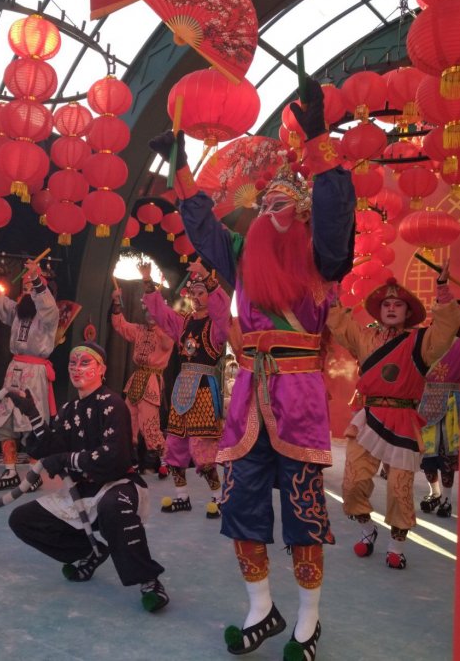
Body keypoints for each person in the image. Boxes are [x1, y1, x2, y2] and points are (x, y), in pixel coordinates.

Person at [149, 78, 355, 659]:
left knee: (304, 509)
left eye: (280, 204)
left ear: (303, 212)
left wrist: (317, 138)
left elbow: (337, 209)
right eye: (263, 205)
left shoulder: (321, 257)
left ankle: (309, 618)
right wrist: (179, 165)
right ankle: (261, 607)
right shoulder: (242, 257)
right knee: (240, 503)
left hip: (299, 397)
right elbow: (203, 227)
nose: (267, 211)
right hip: (247, 396)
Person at [7, 341, 169, 612]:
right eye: (72, 363)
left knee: (113, 506)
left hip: (117, 484)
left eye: (85, 363)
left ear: (102, 369)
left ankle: (149, 581)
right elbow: (51, 447)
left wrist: (67, 460)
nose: (76, 368)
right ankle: (91, 551)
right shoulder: (68, 409)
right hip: (81, 491)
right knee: (21, 519)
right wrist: (33, 414)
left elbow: (113, 456)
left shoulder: (113, 405)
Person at [328, 271, 460, 569]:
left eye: (398, 304)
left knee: (400, 490)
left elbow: (446, 328)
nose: (391, 308)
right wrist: (333, 294)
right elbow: (340, 325)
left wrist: (442, 291)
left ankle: (396, 546)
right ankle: (367, 529)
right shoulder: (364, 338)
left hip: (402, 419)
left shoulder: (421, 341)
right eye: (386, 304)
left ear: (407, 312)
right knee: (353, 483)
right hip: (369, 417)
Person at [141, 260, 230, 518]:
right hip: (182, 389)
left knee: (202, 447)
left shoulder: (216, 324)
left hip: (203, 389)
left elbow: (223, 309)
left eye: (201, 292)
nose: (196, 297)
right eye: (193, 293)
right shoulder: (184, 322)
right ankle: (182, 496)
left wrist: (206, 277)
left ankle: (218, 497)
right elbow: (161, 314)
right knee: (175, 443)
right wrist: (147, 281)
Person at [0, 259, 59, 491]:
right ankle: (10, 471)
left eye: (31, 288)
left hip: (34, 374)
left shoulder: (48, 317)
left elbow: (47, 306)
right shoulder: (17, 311)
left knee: (34, 423)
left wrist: (36, 279)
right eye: (24, 288)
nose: (27, 293)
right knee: (5, 420)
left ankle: (33, 475)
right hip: (13, 371)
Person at [110, 264, 174, 479]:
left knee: (150, 423)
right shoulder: (139, 330)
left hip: (152, 381)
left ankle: (161, 462)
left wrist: (159, 323)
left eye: (154, 311)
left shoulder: (166, 332)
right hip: (136, 379)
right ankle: (132, 462)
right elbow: (120, 325)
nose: (149, 315)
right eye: (147, 310)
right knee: (129, 420)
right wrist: (116, 302)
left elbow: (167, 344)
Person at [418, 338, 460, 517]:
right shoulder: (427, 340)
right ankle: (435, 492)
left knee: (446, 456)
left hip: (450, 406)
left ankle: (447, 500)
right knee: (427, 456)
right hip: (425, 403)